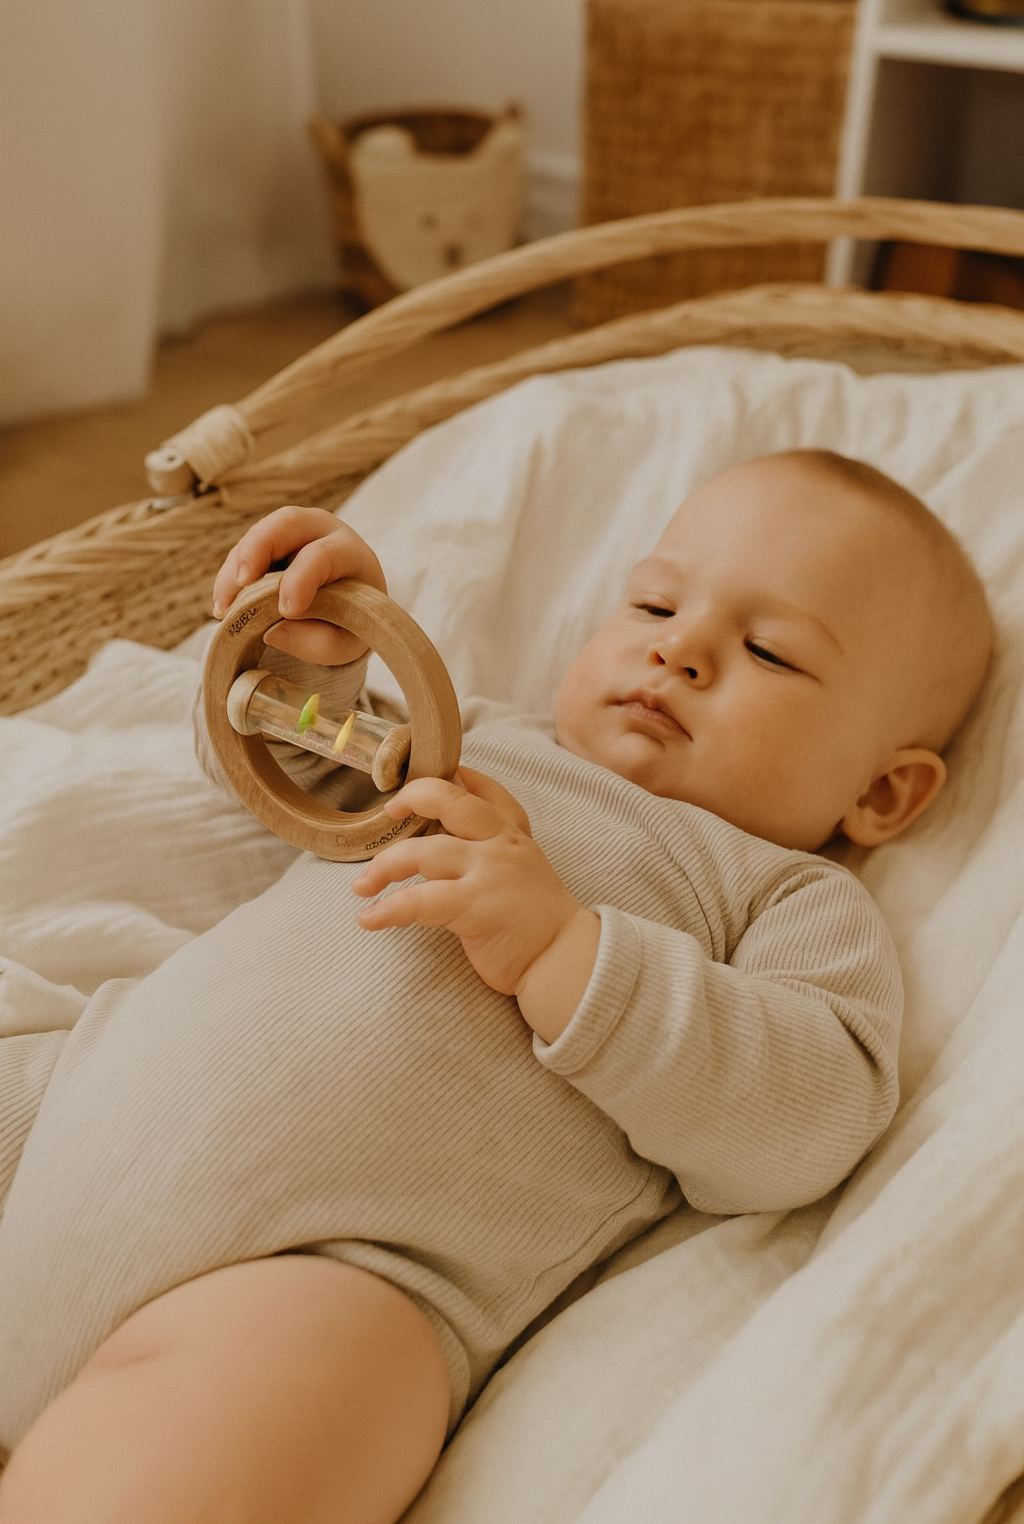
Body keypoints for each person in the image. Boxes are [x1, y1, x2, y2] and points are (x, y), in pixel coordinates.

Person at [0, 450, 992, 1524]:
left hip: (321, 1275)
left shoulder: (787, 897)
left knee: (305, 1394)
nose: (680, 647)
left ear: (883, 793)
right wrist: (311, 654)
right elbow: (266, 751)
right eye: (656, 600)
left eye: (768, 651)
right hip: (66, 1115)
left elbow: (808, 1117)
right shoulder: (475, 745)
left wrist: (568, 952)